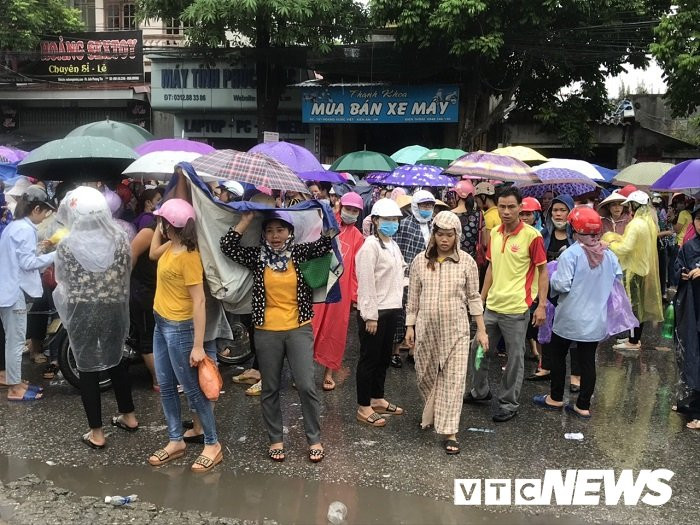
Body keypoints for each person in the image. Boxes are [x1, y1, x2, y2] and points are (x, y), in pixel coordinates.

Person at [220, 209, 333, 463]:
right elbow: (227, 246)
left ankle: (314, 439)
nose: (275, 236)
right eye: (269, 231)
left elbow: (327, 240)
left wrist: (323, 210)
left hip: (298, 328)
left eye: (280, 230)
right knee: (270, 388)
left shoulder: (301, 252)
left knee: (306, 385)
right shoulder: (258, 256)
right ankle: (275, 439)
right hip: (266, 330)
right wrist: (246, 220)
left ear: (290, 232)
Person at [53, 187, 138, 447]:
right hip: (113, 307)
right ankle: (129, 415)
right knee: (117, 359)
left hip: (83, 308)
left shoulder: (68, 244)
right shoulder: (121, 237)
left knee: (87, 366)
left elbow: (62, 280)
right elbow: (126, 271)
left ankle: (97, 433)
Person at [148, 198, 222, 472]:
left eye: (162, 222)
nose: (158, 225)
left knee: (192, 389)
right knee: (166, 386)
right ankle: (175, 439)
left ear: (172, 226)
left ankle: (213, 444)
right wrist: (161, 221)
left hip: (180, 328)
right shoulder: (171, 246)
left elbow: (199, 302)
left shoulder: (189, 256)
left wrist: (198, 346)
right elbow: (152, 253)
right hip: (161, 322)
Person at [405, 211, 488, 454]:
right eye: (440, 234)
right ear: (433, 235)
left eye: (449, 235)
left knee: (454, 380)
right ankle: (433, 411)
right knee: (425, 374)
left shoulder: (467, 263)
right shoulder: (420, 261)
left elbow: (474, 298)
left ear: (457, 236)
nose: (444, 240)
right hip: (426, 329)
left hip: (457, 331)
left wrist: (481, 331)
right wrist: (410, 326)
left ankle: (451, 432)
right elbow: (413, 298)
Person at [465, 186, 548, 422]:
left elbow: (543, 272)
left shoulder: (533, 236)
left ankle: (509, 403)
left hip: (516, 309)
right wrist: (480, 299)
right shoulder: (496, 234)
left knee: (514, 358)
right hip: (492, 306)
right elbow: (491, 267)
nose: (506, 211)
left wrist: (541, 305)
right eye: (502, 206)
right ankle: (480, 391)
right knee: (478, 349)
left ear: (520, 208)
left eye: (512, 207)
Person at [532, 207, 622, 418]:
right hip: (595, 320)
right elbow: (617, 279)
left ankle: (555, 398)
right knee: (587, 361)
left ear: (574, 230)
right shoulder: (608, 254)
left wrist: (551, 277)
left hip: (569, 318)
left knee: (558, 355)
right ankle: (583, 405)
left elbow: (561, 285)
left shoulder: (571, 254)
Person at [0, 185, 55, 401]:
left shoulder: (15, 226)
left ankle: (16, 380)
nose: (45, 217)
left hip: (8, 289)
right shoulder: (24, 229)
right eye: (45, 212)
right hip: (13, 292)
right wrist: (56, 255)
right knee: (15, 341)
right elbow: (28, 263)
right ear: (36, 209)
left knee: (13, 339)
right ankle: (15, 389)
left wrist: (39, 249)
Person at [355, 198, 406, 427]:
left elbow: (399, 273)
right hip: (374, 313)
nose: (392, 223)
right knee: (369, 360)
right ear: (375, 220)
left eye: (395, 219)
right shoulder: (369, 246)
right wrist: (370, 315)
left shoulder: (392, 244)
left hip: (392, 309)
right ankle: (364, 406)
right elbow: (365, 283)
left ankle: (377, 398)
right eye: (387, 219)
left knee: (383, 358)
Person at [312, 192, 365, 391]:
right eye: (348, 208)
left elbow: (356, 270)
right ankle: (304, 370)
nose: (350, 213)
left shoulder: (358, 237)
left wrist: (354, 296)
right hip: (319, 281)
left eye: (354, 210)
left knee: (335, 330)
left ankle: (328, 372)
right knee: (311, 325)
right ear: (340, 206)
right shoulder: (326, 224)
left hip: (340, 290)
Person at [604, 191, 664, 350]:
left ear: (634, 205)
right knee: (638, 307)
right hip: (644, 268)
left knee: (632, 307)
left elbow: (625, 247)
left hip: (633, 271)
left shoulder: (636, 224)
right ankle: (634, 338)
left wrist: (609, 244)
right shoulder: (648, 221)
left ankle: (632, 341)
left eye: (630, 204)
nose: (628, 207)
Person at [392, 190, 436, 367]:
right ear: (415, 206)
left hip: (428, 275)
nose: (427, 209)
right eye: (423, 205)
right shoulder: (405, 224)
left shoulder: (435, 225)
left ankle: (413, 349)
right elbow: (398, 247)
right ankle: (394, 350)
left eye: (429, 205)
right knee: (401, 312)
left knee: (421, 312)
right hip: (406, 275)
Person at [673, 206, 700, 429]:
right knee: (691, 352)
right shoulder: (690, 245)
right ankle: (692, 400)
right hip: (691, 308)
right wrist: (681, 272)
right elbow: (677, 266)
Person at [449, 180, 481, 259]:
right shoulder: (478, 215)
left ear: (457, 196)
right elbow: (484, 241)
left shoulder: (449, 215)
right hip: (471, 259)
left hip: (451, 258)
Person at [652, 193, 676, 300]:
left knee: (662, 270)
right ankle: (659, 293)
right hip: (656, 246)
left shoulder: (661, 216)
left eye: (657, 206)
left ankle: (662, 292)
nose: (656, 208)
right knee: (659, 270)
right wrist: (667, 232)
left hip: (663, 246)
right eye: (654, 205)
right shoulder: (651, 217)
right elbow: (654, 234)